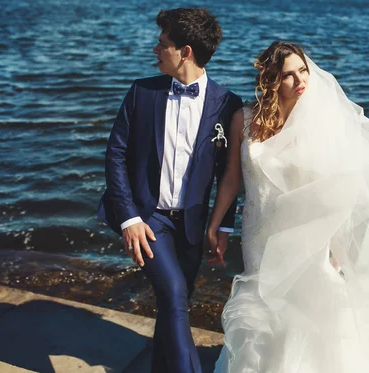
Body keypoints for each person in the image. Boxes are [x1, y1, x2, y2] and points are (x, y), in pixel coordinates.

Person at [206, 41, 369, 373]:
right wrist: (216, 224)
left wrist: (336, 244)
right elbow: (231, 178)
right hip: (260, 233)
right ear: (271, 80)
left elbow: (340, 189)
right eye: (288, 75)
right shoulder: (243, 119)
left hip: (308, 237)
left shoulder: (318, 126)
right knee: (265, 306)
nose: (300, 80)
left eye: (303, 71)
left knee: (309, 309)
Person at [97, 8, 242, 373]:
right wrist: (129, 218)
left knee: (172, 302)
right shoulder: (141, 92)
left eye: (163, 44)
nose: (155, 50)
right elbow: (115, 155)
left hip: (192, 226)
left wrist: (223, 227)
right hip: (148, 220)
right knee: (175, 297)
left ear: (186, 52)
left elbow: (231, 172)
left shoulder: (227, 104)